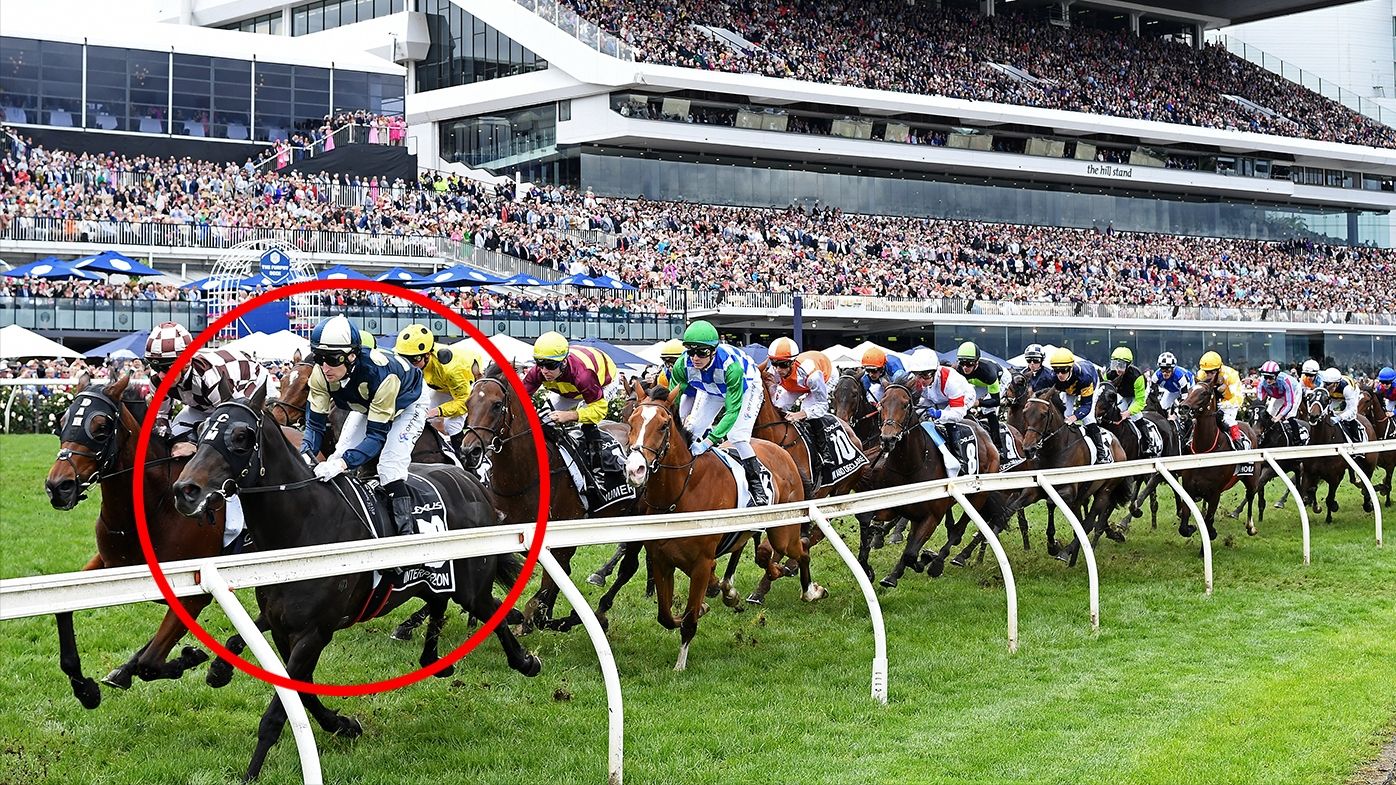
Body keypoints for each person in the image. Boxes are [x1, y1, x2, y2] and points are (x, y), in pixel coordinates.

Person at [300, 315, 428, 538]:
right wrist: (304, 453)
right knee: (338, 454)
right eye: (318, 357)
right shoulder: (320, 374)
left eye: (332, 359)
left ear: (351, 356)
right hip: (371, 403)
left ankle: (406, 538)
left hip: (408, 402)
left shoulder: (379, 374)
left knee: (389, 466)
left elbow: (376, 437)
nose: (324, 367)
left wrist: (342, 464)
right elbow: (314, 424)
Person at [145, 321, 267, 548]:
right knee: (173, 437)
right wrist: (173, 441)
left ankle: (242, 525)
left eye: (168, 366)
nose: (161, 374)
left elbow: (228, 429)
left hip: (243, 391)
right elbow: (160, 420)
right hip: (205, 405)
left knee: (230, 455)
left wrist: (195, 447)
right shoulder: (156, 378)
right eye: (155, 366)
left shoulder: (208, 376)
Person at [663, 319, 769, 505]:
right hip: (711, 388)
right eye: (691, 351)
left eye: (701, 352)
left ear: (713, 351)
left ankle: (757, 485)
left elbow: (732, 411)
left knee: (737, 436)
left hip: (746, 385)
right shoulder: (682, 365)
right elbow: (673, 402)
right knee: (692, 428)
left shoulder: (732, 368)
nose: (695, 358)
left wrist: (709, 442)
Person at [521, 331, 627, 509]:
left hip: (602, 382)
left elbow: (599, 409)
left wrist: (570, 416)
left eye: (549, 365)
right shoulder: (539, 372)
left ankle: (597, 473)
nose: (544, 371)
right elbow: (520, 398)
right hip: (569, 390)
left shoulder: (582, 374)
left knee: (586, 421)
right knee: (544, 420)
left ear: (563, 362)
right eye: (540, 364)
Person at [393, 324, 477, 454]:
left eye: (415, 359)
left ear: (428, 354)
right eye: (405, 358)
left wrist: (438, 411)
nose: (410, 364)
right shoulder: (416, 360)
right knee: (424, 416)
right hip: (443, 386)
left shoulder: (451, 369)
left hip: (465, 386)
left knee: (451, 425)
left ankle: (467, 461)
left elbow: (464, 402)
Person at [767, 337, 836, 483]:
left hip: (825, 377)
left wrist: (800, 414)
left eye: (783, 365)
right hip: (796, 384)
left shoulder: (812, 375)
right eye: (774, 364)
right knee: (778, 405)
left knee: (807, 408)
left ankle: (825, 454)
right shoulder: (775, 371)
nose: (778, 370)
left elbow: (822, 406)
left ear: (792, 362)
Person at [900, 350, 972, 477]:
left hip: (962, 397)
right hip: (935, 398)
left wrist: (940, 414)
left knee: (948, 421)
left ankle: (959, 459)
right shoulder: (916, 380)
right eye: (918, 375)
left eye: (926, 376)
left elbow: (958, 413)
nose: (921, 380)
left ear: (935, 371)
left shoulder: (951, 381)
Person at [1047, 347, 1110, 462]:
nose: (1060, 374)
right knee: (1066, 414)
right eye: (1056, 370)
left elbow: (1086, 405)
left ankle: (1102, 453)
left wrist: (1075, 417)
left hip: (1090, 384)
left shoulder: (1085, 377)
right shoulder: (1053, 377)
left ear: (1070, 368)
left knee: (1088, 418)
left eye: (1064, 370)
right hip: (1069, 390)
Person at [955, 341, 1008, 453]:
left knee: (988, 409)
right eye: (962, 363)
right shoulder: (958, 370)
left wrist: (979, 403)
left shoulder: (988, 373)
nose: (965, 367)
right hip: (979, 383)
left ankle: (998, 447)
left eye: (969, 364)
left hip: (1000, 379)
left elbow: (996, 401)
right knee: (964, 402)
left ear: (977, 362)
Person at [1196, 351, 1250, 451]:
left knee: (1227, 420)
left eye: (1212, 372)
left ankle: (1239, 443)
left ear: (1219, 369)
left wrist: (1224, 405)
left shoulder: (1231, 375)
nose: (1209, 375)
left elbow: (1238, 398)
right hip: (1213, 402)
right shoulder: (1200, 375)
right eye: (1206, 372)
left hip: (1230, 401)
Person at [1256, 360, 1305, 443]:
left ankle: (1297, 439)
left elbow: (1289, 404)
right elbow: (1260, 400)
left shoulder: (1285, 381)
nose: (1267, 380)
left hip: (1294, 391)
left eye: (1270, 377)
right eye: (1265, 377)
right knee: (1269, 413)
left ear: (1276, 375)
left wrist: (1279, 417)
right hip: (1278, 394)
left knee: (1289, 415)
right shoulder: (1261, 382)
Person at [1319, 367, 1364, 445]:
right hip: (1335, 397)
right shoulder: (1324, 386)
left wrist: (1339, 417)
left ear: (1336, 383)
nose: (1326, 387)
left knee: (1350, 417)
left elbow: (1352, 411)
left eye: (1328, 384)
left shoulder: (1347, 389)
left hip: (1351, 394)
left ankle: (1356, 440)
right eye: (1325, 383)